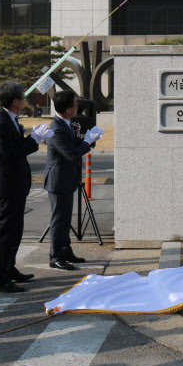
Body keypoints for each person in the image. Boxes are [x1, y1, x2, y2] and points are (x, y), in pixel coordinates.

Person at [0, 81, 54, 293]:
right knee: (5, 232)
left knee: (15, 230)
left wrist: (31, 138)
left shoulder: (9, 119)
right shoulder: (1, 122)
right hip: (6, 185)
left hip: (14, 183)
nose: (25, 100)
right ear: (15, 102)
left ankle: (9, 268)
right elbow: (11, 153)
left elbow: (15, 146)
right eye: (23, 98)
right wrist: (33, 140)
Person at [44, 90, 103, 270]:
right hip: (58, 180)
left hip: (67, 178)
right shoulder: (56, 129)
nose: (78, 107)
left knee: (65, 218)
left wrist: (86, 140)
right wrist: (87, 142)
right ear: (69, 109)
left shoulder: (67, 123)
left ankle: (65, 250)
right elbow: (71, 154)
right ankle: (55, 256)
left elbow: (74, 145)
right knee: (59, 219)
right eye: (76, 104)